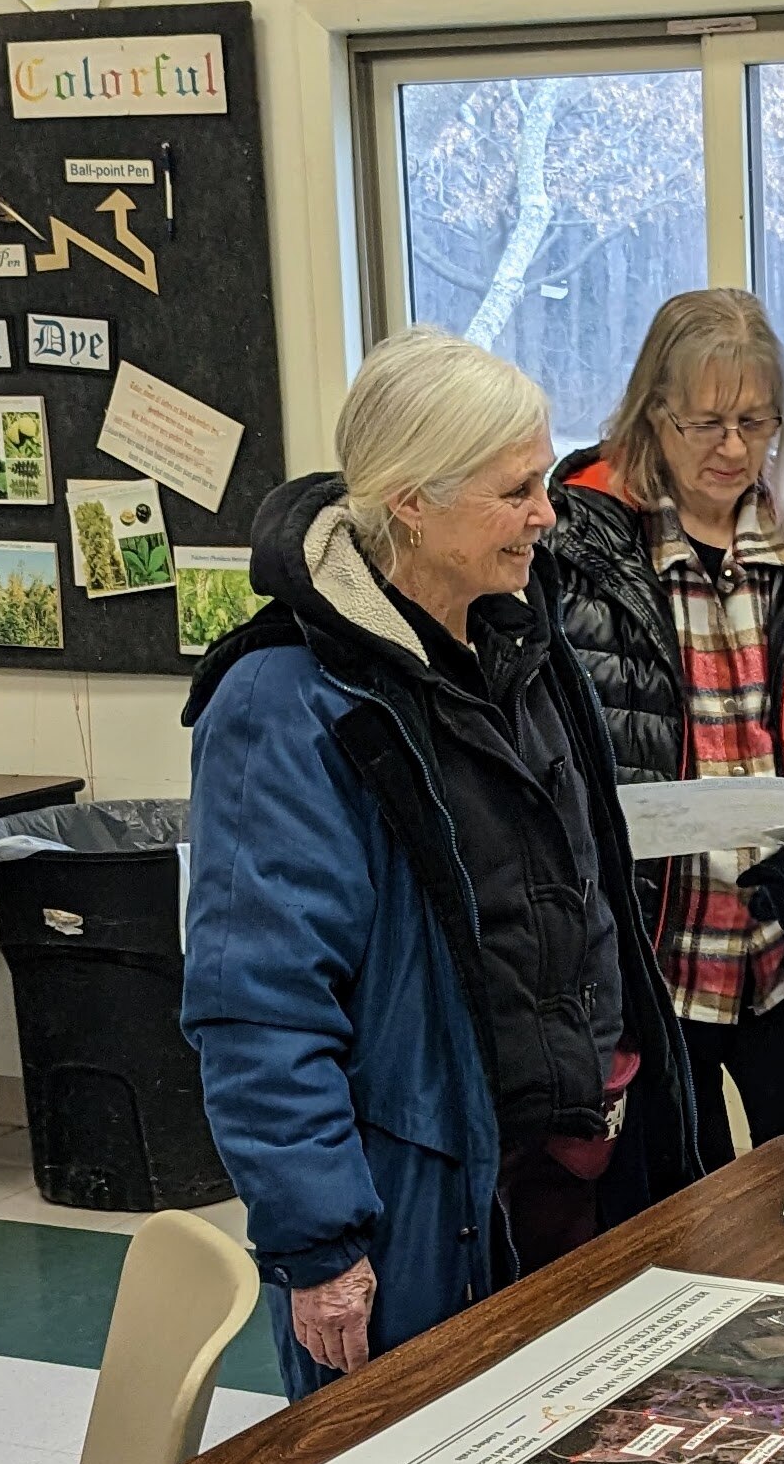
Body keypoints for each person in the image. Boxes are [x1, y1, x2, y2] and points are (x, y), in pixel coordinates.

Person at [182, 328, 701, 1397]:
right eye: (517, 490)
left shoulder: (526, 646)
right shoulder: (284, 705)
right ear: (413, 501)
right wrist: (319, 1245)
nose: (548, 514)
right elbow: (260, 1009)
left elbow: (586, 895)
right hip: (420, 1203)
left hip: (570, 1170)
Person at [551, 289, 784, 1169]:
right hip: (653, 956)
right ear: (652, 415)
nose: (732, 449)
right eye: (705, 423)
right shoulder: (574, 555)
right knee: (672, 1227)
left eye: (756, 423)